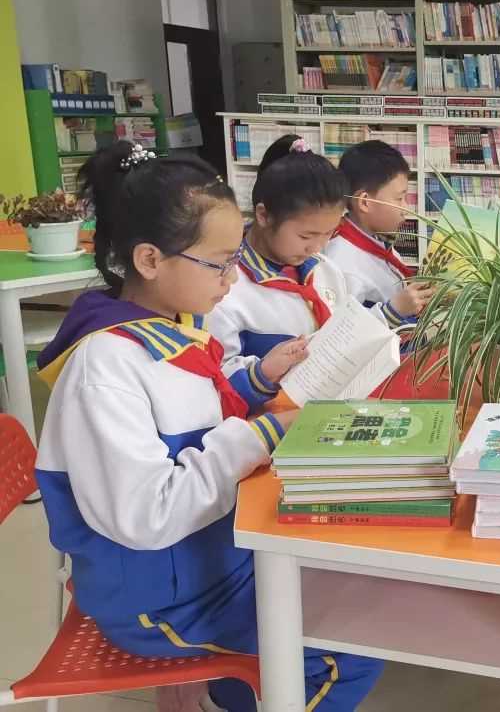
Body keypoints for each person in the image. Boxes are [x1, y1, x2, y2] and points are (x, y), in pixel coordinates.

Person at [33, 142, 382, 712]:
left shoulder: (175, 330)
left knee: (354, 579)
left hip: (211, 556)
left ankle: (227, 690)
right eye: (219, 263)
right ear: (150, 260)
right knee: (352, 651)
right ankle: (230, 693)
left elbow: (203, 420)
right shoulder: (107, 367)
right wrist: (262, 435)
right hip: (160, 600)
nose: (232, 277)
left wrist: (259, 386)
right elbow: (146, 516)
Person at [207, 138, 404, 394]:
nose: (317, 248)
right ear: (264, 215)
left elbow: (344, 334)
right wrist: (262, 373)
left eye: (329, 234)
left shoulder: (324, 269)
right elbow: (216, 380)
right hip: (271, 413)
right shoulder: (223, 290)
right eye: (306, 236)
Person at [324, 140, 432, 323]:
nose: (406, 208)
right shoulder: (340, 263)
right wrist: (394, 311)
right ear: (365, 202)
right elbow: (341, 330)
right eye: (399, 198)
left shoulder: (377, 240)